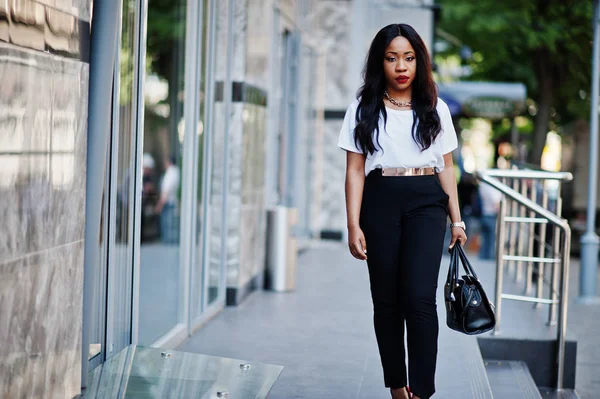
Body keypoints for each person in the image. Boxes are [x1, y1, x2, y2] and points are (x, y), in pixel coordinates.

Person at [338, 24, 467, 399]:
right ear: (381, 62)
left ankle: (423, 391)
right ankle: (397, 385)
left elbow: (446, 167)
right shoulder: (362, 109)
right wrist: (352, 224)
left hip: (427, 201)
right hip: (380, 201)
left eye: (408, 58)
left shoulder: (435, 108)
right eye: (392, 58)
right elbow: (354, 171)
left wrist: (456, 220)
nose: (401, 66)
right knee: (387, 299)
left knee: (419, 296)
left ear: (419, 62)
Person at [155, 156, 180, 244]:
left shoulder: (170, 174)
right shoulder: (176, 172)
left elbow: (166, 191)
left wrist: (159, 205)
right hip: (172, 202)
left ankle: (167, 245)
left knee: (167, 226)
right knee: (171, 226)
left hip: (167, 203)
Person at [478, 182, 503, 260]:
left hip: (484, 214)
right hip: (492, 216)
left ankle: (483, 261)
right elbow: (496, 204)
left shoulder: (483, 186)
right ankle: (489, 261)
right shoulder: (493, 187)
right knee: (491, 242)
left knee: (485, 241)